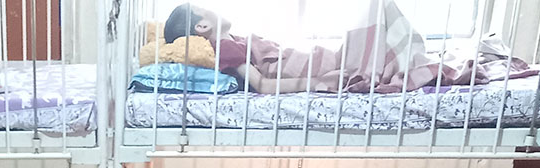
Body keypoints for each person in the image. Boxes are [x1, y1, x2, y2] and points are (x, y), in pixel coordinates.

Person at [161, 2, 447, 94]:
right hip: (327, 66)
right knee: (378, 6)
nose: (213, 8)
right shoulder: (225, 48)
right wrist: (318, 82)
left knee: (381, 14)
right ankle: (414, 62)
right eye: (205, 9)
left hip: (326, 59)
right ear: (202, 26)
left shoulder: (232, 41)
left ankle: (414, 60)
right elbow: (262, 85)